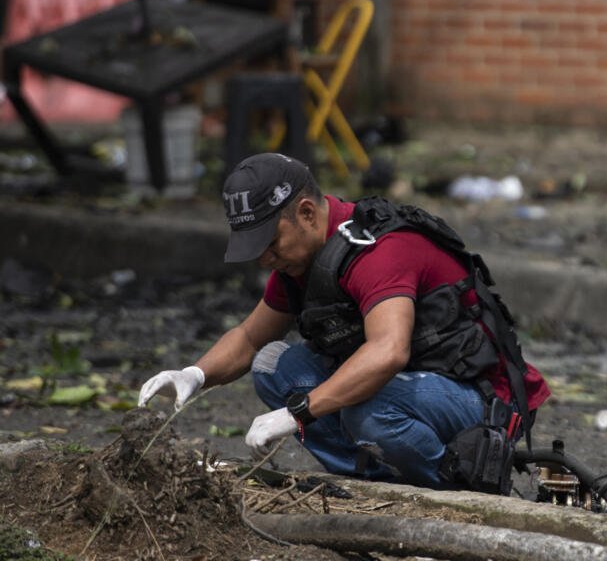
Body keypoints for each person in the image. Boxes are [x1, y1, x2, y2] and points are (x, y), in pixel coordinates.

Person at [138, 152, 550, 489]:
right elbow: (249, 338)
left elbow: (388, 352)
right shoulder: (301, 261)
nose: (265, 258)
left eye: (269, 243)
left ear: (306, 214)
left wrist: (298, 413)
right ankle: (370, 481)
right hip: (411, 388)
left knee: (366, 411)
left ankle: (457, 480)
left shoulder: (377, 252)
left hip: (481, 400)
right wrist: (194, 374)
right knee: (272, 365)